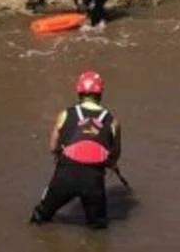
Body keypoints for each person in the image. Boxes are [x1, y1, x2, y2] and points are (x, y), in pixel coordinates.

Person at [30, 70, 122, 230]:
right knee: (98, 228)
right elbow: (114, 154)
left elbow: (53, 146)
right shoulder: (113, 121)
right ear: (100, 93)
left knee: (40, 217)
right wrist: (111, 164)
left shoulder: (65, 114)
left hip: (66, 174)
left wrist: (58, 153)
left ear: (79, 92)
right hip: (93, 179)